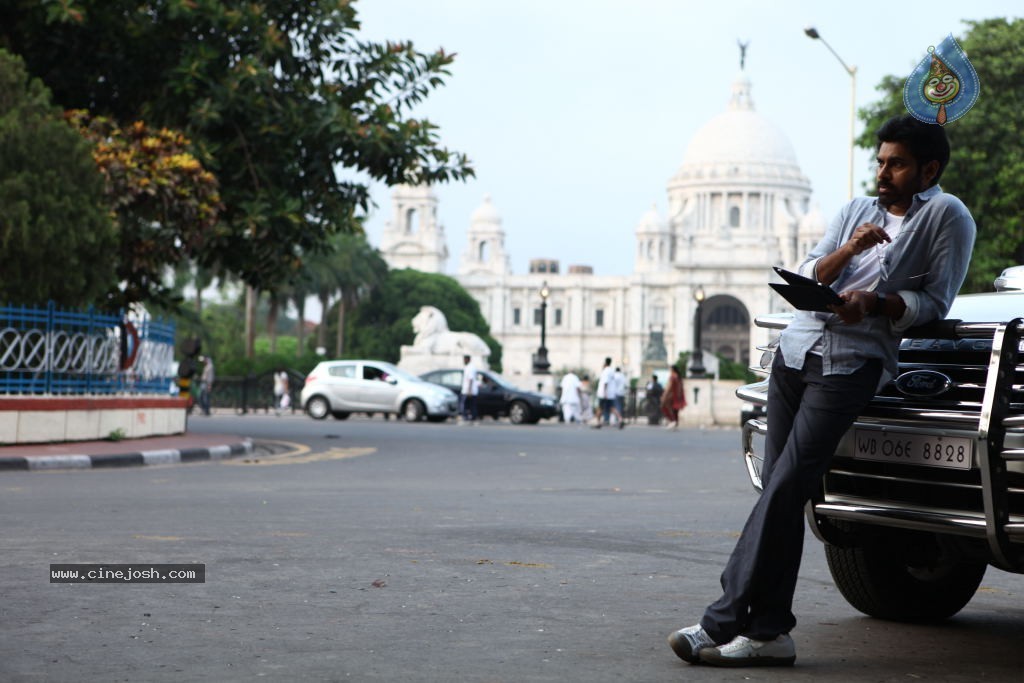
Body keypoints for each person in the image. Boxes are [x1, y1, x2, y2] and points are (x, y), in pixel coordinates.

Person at [668, 114, 976, 667]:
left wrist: (877, 305)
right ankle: (768, 634)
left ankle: (720, 621)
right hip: (797, 350)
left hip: (851, 363)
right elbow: (811, 271)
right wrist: (852, 248)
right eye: (880, 161)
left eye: (897, 163)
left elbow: (937, 302)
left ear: (928, 169)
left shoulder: (947, 217)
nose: (883, 172)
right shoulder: (856, 210)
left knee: (786, 485)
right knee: (780, 494)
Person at [660, 365, 686, 430]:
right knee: (675, 409)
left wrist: (664, 395)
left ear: (673, 370)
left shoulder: (672, 377)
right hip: (678, 396)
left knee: (665, 407)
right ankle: (675, 422)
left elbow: (669, 387)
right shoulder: (679, 377)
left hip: (671, 395)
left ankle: (672, 420)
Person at [593, 358, 614, 428]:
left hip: (604, 394)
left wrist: (605, 393)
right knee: (610, 408)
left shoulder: (606, 371)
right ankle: (619, 419)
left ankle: (598, 423)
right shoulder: (611, 370)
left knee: (600, 408)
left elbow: (605, 382)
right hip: (609, 393)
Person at [460, 355, 479, 423]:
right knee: (471, 405)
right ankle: (472, 417)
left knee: (465, 404)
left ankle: (467, 417)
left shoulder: (470, 368)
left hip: (469, 390)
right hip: (470, 390)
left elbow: (470, 379)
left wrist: (469, 390)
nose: (464, 361)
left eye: (464, 359)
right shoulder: (469, 367)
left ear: (467, 359)